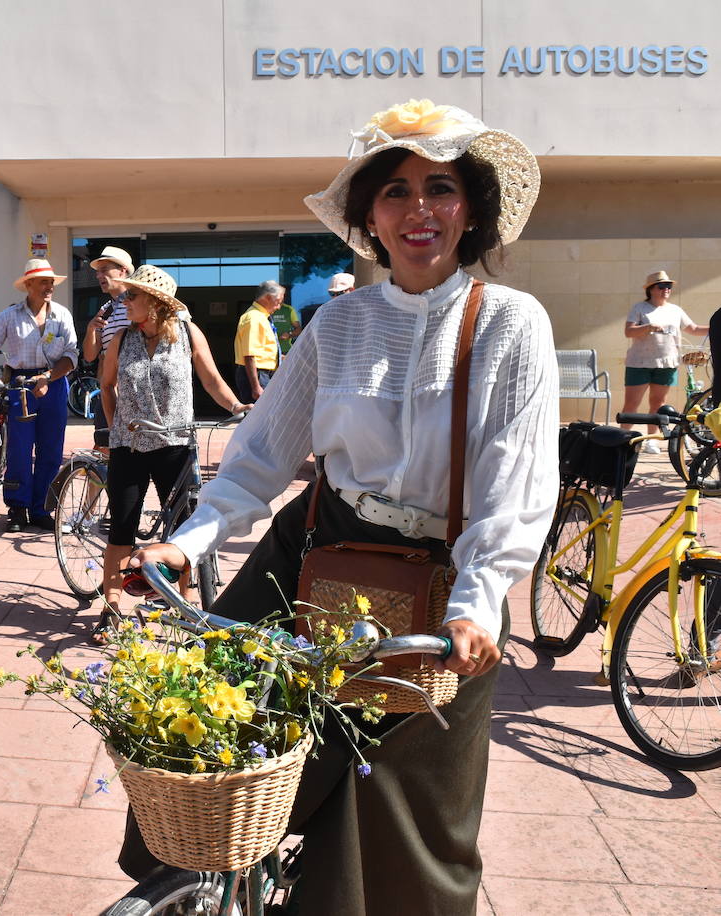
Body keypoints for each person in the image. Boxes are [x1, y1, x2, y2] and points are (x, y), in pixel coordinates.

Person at [124, 99, 558, 915]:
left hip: (443, 581)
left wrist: (478, 602)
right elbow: (262, 452)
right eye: (394, 190)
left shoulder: (511, 323)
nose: (418, 209)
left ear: (473, 207)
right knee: (206, 728)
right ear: (368, 217)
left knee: (399, 812)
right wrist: (189, 541)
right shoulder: (338, 322)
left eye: (440, 187)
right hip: (318, 549)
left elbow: (516, 482)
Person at [94, 264, 243, 642]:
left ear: (156, 303)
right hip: (129, 445)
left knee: (182, 530)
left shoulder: (188, 333)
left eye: (132, 295)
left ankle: (188, 604)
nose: (124, 301)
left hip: (175, 445)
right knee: (122, 529)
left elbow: (211, 379)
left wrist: (238, 407)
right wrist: (115, 430)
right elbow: (107, 384)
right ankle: (111, 609)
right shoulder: (122, 339)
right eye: (126, 294)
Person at [0, 258, 78, 533]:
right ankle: (18, 509)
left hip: (53, 384)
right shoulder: (11, 316)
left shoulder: (62, 315)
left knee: (51, 450)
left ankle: (42, 508)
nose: (49, 286)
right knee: (19, 450)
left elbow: (71, 356)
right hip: (21, 386)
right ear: (28, 285)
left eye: (51, 281)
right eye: (44, 281)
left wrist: (48, 377)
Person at [623, 269, 707, 452]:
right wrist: (648, 327)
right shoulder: (640, 308)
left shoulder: (675, 310)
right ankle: (622, 438)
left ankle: (651, 440)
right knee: (631, 403)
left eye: (668, 286)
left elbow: (693, 328)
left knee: (658, 403)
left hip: (667, 363)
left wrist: (715, 326)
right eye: (662, 286)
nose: (666, 290)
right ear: (651, 289)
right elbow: (629, 332)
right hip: (639, 363)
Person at [80, 246, 135, 446]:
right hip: (108, 391)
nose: (98, 276)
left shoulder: (139, 304)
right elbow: (89, 356)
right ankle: (104, 479)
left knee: (133, 447)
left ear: (122, 270)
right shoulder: (105, 309)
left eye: (104, 270)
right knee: (104, 446)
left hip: (135, 391)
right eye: (97, 271)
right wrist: (90, 330)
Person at [233, 280, 284, 402]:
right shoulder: (254, 318)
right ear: (267, 297)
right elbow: (249, 355)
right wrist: (256, 387)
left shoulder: (262, 317)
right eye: (278, 302)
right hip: (258, 376)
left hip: (263, 374)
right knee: (260, 418)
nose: (278, 307)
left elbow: (264, 352)